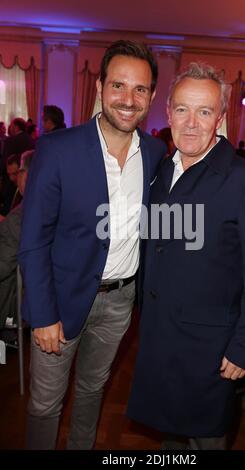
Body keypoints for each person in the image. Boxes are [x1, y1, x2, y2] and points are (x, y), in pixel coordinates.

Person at [19, 39, 166, 450]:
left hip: (120, 302)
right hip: (61, 301)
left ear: (152, 97)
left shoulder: (156, 153)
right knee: (46, 405)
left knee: (91, 394)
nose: (128, 98)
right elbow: (32, 241)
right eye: (118, 85)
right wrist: (44, 314)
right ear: (100, 86)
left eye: (140, 89)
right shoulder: (57, 149)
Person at [127, 62, 245, 450]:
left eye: (204, 111)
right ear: (168, 113)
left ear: (220, 119)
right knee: (170, 441)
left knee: (205, 440)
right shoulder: (160, 171)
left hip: (210, 350)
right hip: (161, 338)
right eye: (182, 109)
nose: (191, 123)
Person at [0, 151, 34, 332]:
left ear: (26, 175)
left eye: (18, 172)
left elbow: (2, 266)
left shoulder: (20, 216)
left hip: (14, 304)